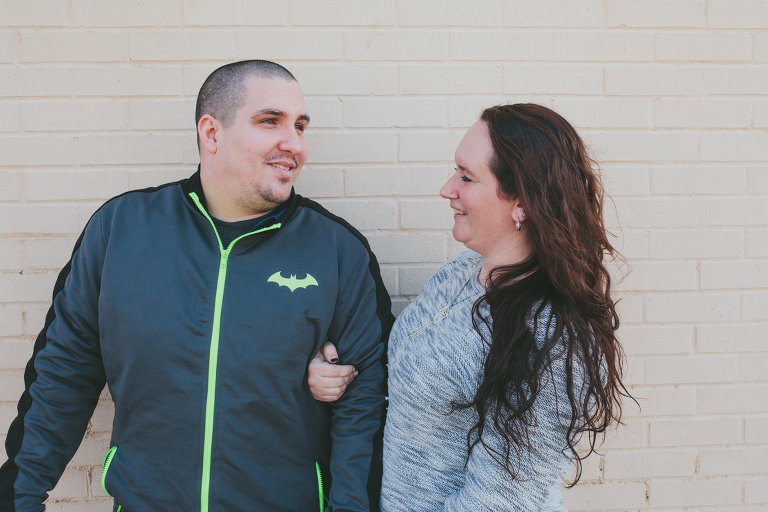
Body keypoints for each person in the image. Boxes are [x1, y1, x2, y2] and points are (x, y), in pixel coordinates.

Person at [1, 60, 393, 512]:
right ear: (211, 133)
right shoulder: (121, 230)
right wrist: (19, 496)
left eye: (300, 126)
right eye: (271, 121)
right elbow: (63, 374)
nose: (295, 144)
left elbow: (366, 405)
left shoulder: (337, 249)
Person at [309, 104, 628, 511]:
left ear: (522, 202)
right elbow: (422, 381)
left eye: (466, 177)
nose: (448, 189)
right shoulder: (462, 271)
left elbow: (502, 500)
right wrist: (340, 376)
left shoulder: (553, 336)